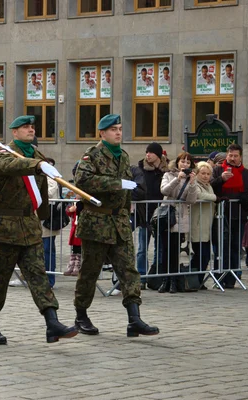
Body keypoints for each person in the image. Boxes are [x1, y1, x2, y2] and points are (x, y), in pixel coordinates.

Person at [0, 115, 77, 345]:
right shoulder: (2, 153)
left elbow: (42, 187)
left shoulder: (37, 156)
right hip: (5, 227)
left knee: (38, 276)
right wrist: (37, 165)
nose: (30, 129)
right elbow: (10, 166)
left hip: (30, 228)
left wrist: (43, 214)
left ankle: (52, 322)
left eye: (32, 126)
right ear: (14, 132)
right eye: (25, 127)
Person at [73, 114, 159, 337]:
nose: (118, 133)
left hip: (119, 222)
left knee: (129, 271)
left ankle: (134, 318)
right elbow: (82, 181)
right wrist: (117, 184)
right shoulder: (91, 156)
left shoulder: (123, 156)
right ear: (102, 133)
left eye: (120, 128)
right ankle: (81, 315)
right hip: (96, 222)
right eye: (113, 129)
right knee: (89, 273)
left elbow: (131, 189)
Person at [211, 144, 248, 289]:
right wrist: (221, 179)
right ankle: (219, 277)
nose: (232, 158)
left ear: (240, 157)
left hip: (239, 216)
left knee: (235, 247)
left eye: (235, 156)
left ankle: (231, 279)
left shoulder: (247, 174)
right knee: (220, 248)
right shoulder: (218, 170)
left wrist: (243, 197)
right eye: (230, 155)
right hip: (221, 215)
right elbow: (210, 186)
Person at [158, 152, 198, 293]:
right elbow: (164, 190)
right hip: (167, 215)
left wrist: (192, 184)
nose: (185, 164)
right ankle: (164, 280)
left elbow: (192, 200)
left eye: (188, 162)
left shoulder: (192, 178)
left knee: (175, 250)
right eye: (183, 161)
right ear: (177, 162)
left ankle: (174, 280)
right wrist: (177, 179)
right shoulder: (168, 175)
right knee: (165, 249)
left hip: (180, 217)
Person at [132, 142, 168, 288]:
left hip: (160, 213)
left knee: (159, 247)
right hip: (144, 213)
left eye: (151, 152)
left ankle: (155, 276)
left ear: (158, 155)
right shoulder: (140, 169)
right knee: (142, 249)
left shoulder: (165, 171)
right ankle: (141, 277)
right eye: (147, 152)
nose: (148, 155)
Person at [190, 162, 217, 287]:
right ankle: (193, 279)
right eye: (203, 173)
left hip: (207, 226)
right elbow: (199, 195)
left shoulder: (209, 186)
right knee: (200, 255)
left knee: (205, 256)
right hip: (197, 225)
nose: (206, 176)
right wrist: (215, 197)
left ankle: (198, 280)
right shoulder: (195, 184)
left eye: (208, 174)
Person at [41, 158, 61, 288]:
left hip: (48, 220)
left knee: (47, 249)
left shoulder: (52, 179)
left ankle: (49, 279)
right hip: (37, 219)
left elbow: (49, 194)